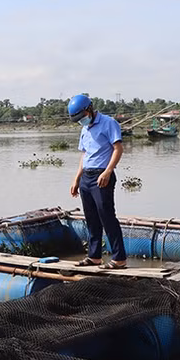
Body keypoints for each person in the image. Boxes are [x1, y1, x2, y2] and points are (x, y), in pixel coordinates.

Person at [68, 94, 127, 269]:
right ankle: (94, 257)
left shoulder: (109, 123)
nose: (81, 121)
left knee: (107, 217)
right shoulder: (84, 128)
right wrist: (77, 179)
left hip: (102, 176)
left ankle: (119, 259)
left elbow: (118, 148)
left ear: (89, 109)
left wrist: (108, 171)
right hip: (86, 177)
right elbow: (84, 154)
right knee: (91, 219)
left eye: (82, 116)